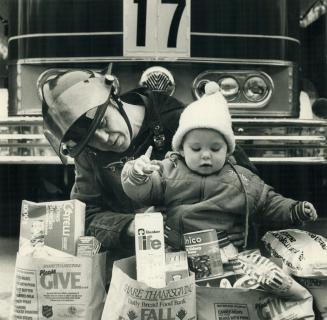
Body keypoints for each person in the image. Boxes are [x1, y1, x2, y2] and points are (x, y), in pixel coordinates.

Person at [39, 66, 258, 263]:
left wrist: (240, 222)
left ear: (113, 99)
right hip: (132, 260)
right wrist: (130, 225)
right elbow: (84, 216)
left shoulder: (184, 122)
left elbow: (247, 183)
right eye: (90, 139)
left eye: (103, 123)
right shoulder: (87, 152)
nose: (103, 139)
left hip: (209, 253)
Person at [121, 82, 318, 251]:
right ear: (181, 149)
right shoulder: (168, 171)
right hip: (175, 249)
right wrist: (138, 177)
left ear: (229, 151)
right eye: (196, 148)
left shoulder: (241, 179)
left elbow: (267, 202)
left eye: (215, 148)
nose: (206, 155)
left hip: (223, 249)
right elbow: (142, 192)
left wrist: (294, 209)